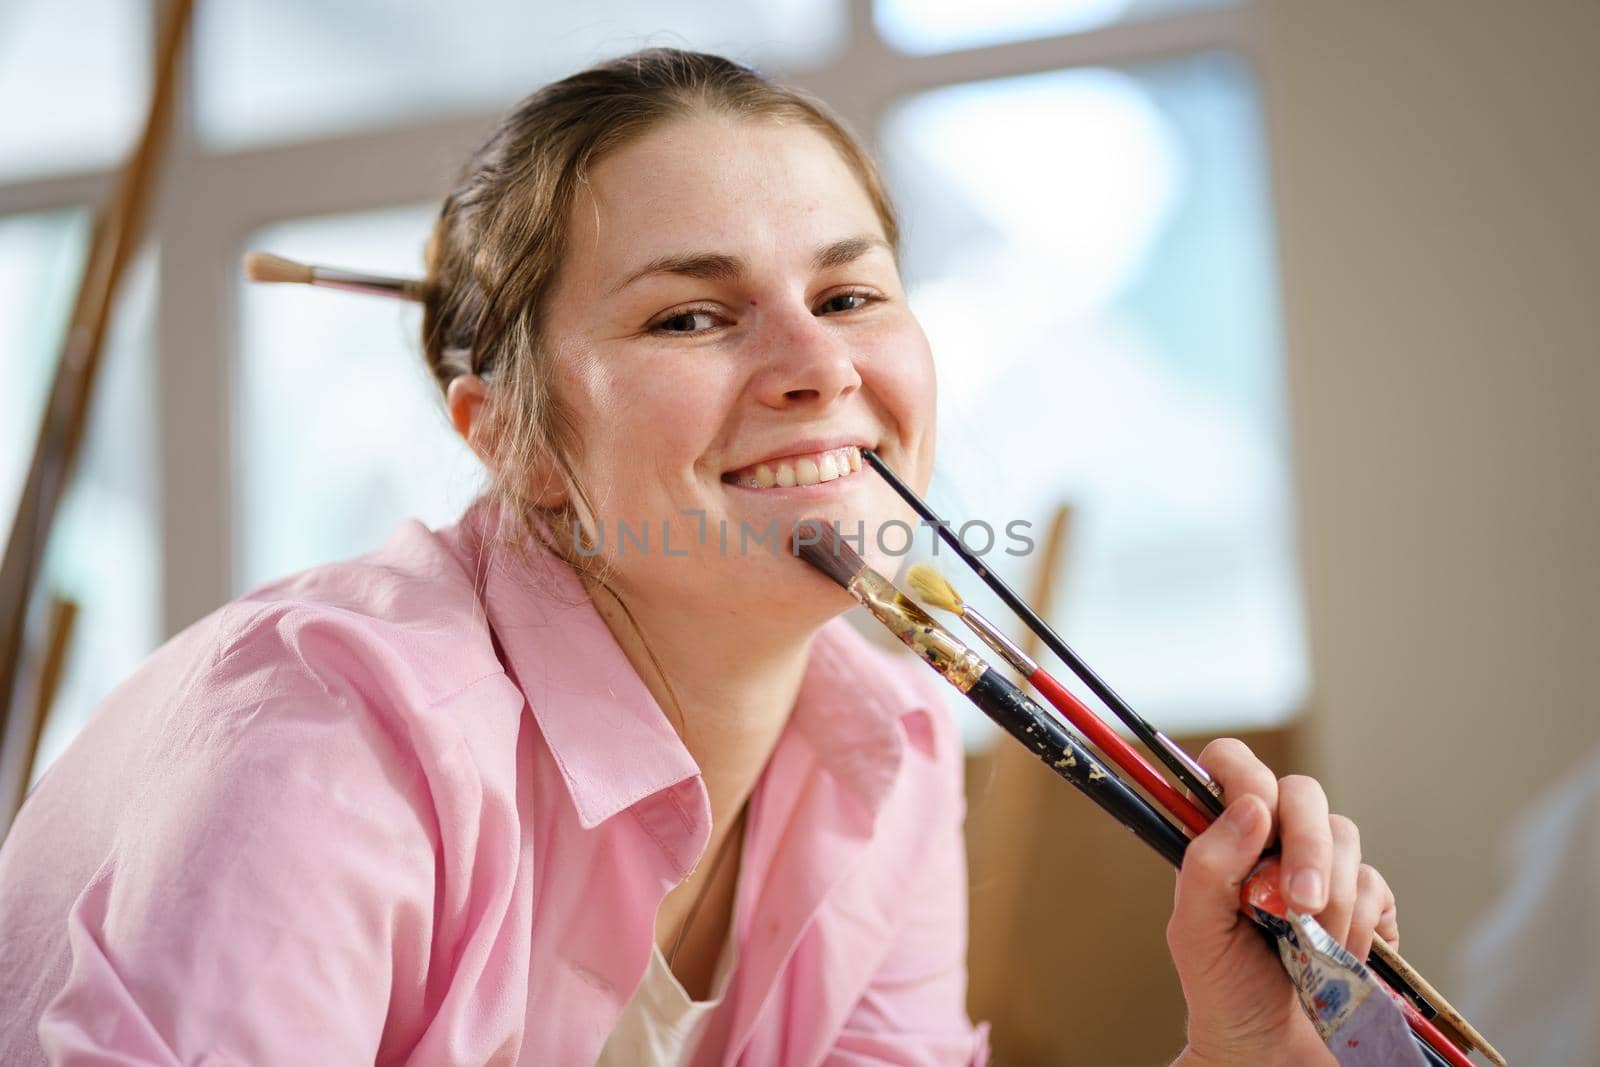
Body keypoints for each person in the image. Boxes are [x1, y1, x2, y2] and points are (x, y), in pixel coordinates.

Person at [0, 48, 1398, 1066]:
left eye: (850, 293)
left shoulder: (888, 741)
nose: (817, 364)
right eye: (689, 318)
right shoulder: (326, 747)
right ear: (514, 443)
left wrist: (1238, 1050)